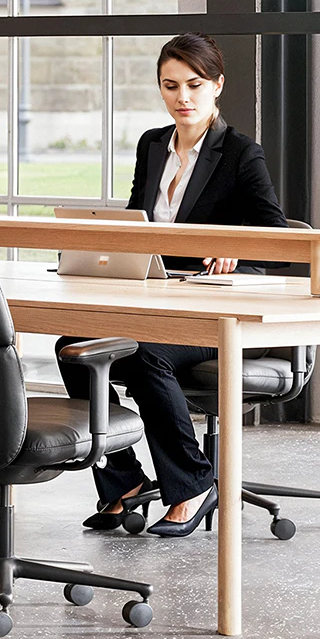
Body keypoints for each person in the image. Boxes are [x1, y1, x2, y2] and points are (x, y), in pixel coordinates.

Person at [67, 33, 286, 539]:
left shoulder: (239, 154)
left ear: (217, 86)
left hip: (213, 308)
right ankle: (122, 483)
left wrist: (239, 246)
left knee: (146, 356)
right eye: (170, 86)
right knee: (73, 347)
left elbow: (277, 235)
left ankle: (191, 484)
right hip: (156, 298)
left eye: (194, 84)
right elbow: (135, 222)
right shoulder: (151, 145)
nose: (182, 97)